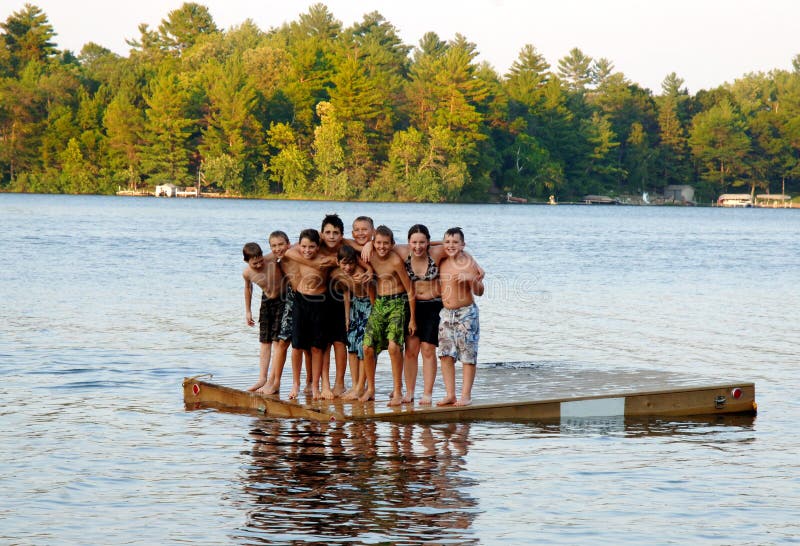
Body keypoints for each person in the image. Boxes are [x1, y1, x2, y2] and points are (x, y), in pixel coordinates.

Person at [361, 225, 416, 406]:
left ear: (392, 244)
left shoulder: (395, 260)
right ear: (373, 242)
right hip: (379, 303)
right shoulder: (370, 256)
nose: (382, 247)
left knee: (394, 347)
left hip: (398, 302)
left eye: (386, 243)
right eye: (378, 243)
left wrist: (413, 318)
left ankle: (398, 391)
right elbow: (369, 281)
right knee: (367, 346)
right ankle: (370, 389)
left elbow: (409, 289)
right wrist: (373, 303)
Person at [395, 224, 446, 405]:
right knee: (410, 351)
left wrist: (474, 263)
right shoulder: (402, 252)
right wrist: (369, 245)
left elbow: (457, 247)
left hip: (433, 305)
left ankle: (427, 393)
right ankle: (409, 392)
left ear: (428, 242)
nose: (418, 246)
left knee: (428, 349)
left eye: (422, 242)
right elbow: (379, 244)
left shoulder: (437, 253)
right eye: (414, 242)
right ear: (409, 242)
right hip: (412, 306)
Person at [436, 227, 484, 407]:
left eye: (455, 242)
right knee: (445, 354)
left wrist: (471, 279)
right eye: (447, 242)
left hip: (466, 313)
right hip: (446, 314)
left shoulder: (468, 263)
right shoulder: (442, 261)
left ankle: (465, 395)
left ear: (463, 245)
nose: (451, 245)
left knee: (467, 354)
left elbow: (480, 292)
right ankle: (450, 394)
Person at [290, 228, 336, 400]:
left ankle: (315, 385)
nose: (307, 250)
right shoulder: (297, 254)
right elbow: (286, 250)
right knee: (297, 346)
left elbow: (344, 260)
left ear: (318, 247)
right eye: (303, 246)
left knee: (317, 347)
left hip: (319, 302)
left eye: (311, 247)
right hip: (301, 301)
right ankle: (296, 383)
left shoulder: (325, 260)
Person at [241, 239, 284, 393]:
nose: (259, 265)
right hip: (266, 302)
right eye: (255, 264)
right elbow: (248, 289)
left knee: (277, 341)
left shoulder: (271, 258)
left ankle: (272, 380)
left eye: (260, 261)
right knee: (265, 341)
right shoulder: (247, 273)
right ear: (246, 261)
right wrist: (248, 311)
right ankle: (262, 378)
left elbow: (286, 248)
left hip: (282, 299)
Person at [333, 245, 375, 401]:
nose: (348, 267)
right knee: (351, 344)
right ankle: (355, 384)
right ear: (338, 262)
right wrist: (346, 317)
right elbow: (346, 294)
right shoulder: (341, 274)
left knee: (362, 347)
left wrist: (374, 317)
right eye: (344, 264)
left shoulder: (361, 274)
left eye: (351, 263)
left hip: (368, 308)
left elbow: (372, 296)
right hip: (355, 307)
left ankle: (360, 387)